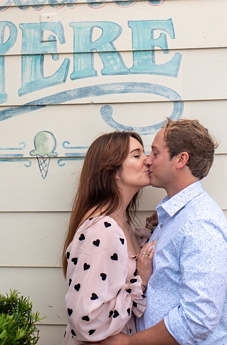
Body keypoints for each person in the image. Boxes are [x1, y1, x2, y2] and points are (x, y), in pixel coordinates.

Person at [102, 118, 227, 345]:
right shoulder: (176, 216)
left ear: (180, 159)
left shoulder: (200, 226)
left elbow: (197, 320)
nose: (148, 161)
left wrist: (129, 343)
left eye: (155, 153)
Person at [62, 131, 154, 343]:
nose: (148, 161)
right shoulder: (103, 230)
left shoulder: (120, 223)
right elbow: (86, 320)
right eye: (136, 155)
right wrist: (140, 282)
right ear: (114, 171)